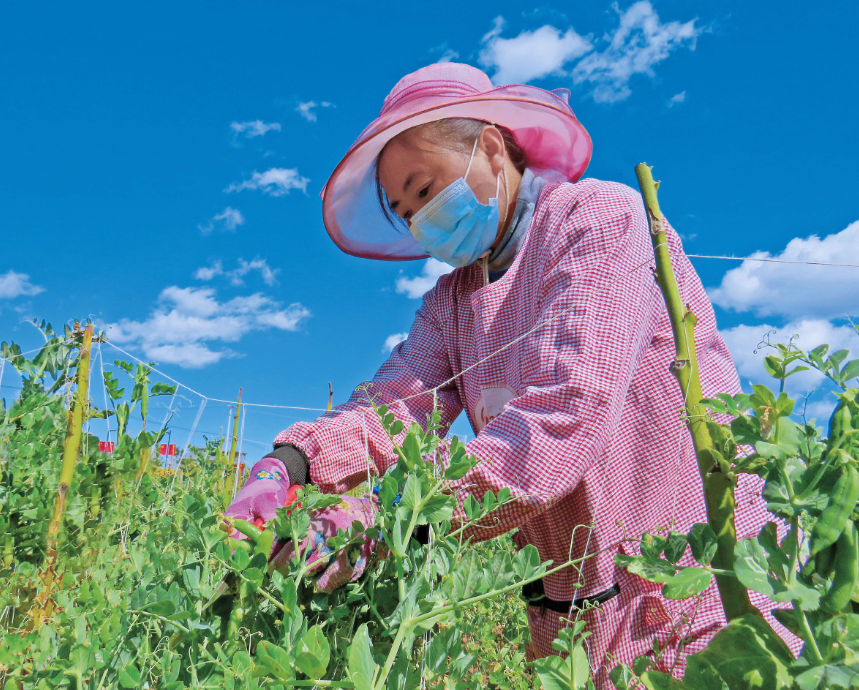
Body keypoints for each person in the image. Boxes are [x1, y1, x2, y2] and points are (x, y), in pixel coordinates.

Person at [225, 62, 793, 684]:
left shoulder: (596, 220)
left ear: (491, 148)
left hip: (689, 579)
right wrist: (290, 462)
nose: (419, 216)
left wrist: (388, 515)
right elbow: (395, 405)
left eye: (424, 187)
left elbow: (564, 415)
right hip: (571, 607)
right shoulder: (451, 302)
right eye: (403, 207)